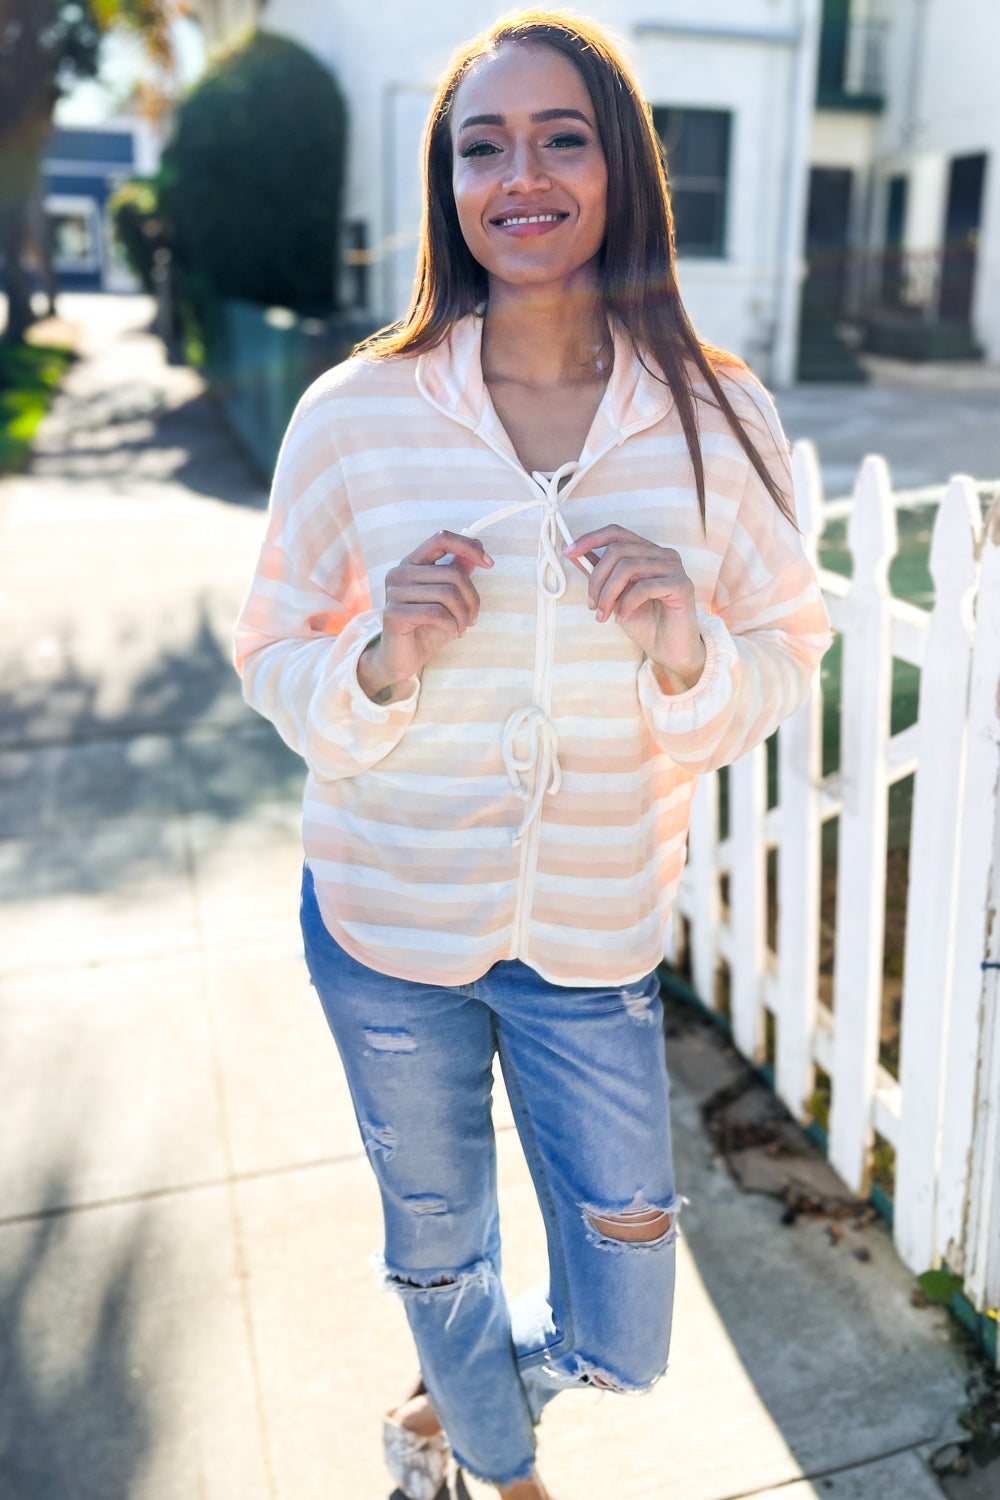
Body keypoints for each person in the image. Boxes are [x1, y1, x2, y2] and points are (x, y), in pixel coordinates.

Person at [234, 11, 833, 1499]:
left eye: (562, 138)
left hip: (592, 932)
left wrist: (687, 649)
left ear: (621, 166)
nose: (521, 177)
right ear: (448, 185)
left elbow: (789, 642)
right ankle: (500, 1476)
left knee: (628, 1331)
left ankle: (453, 1406)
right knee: (439, 1255)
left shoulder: (716, 418)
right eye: (481, 147)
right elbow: (270, 648)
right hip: (384, 924)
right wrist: (379, 660)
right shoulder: (356, 414)